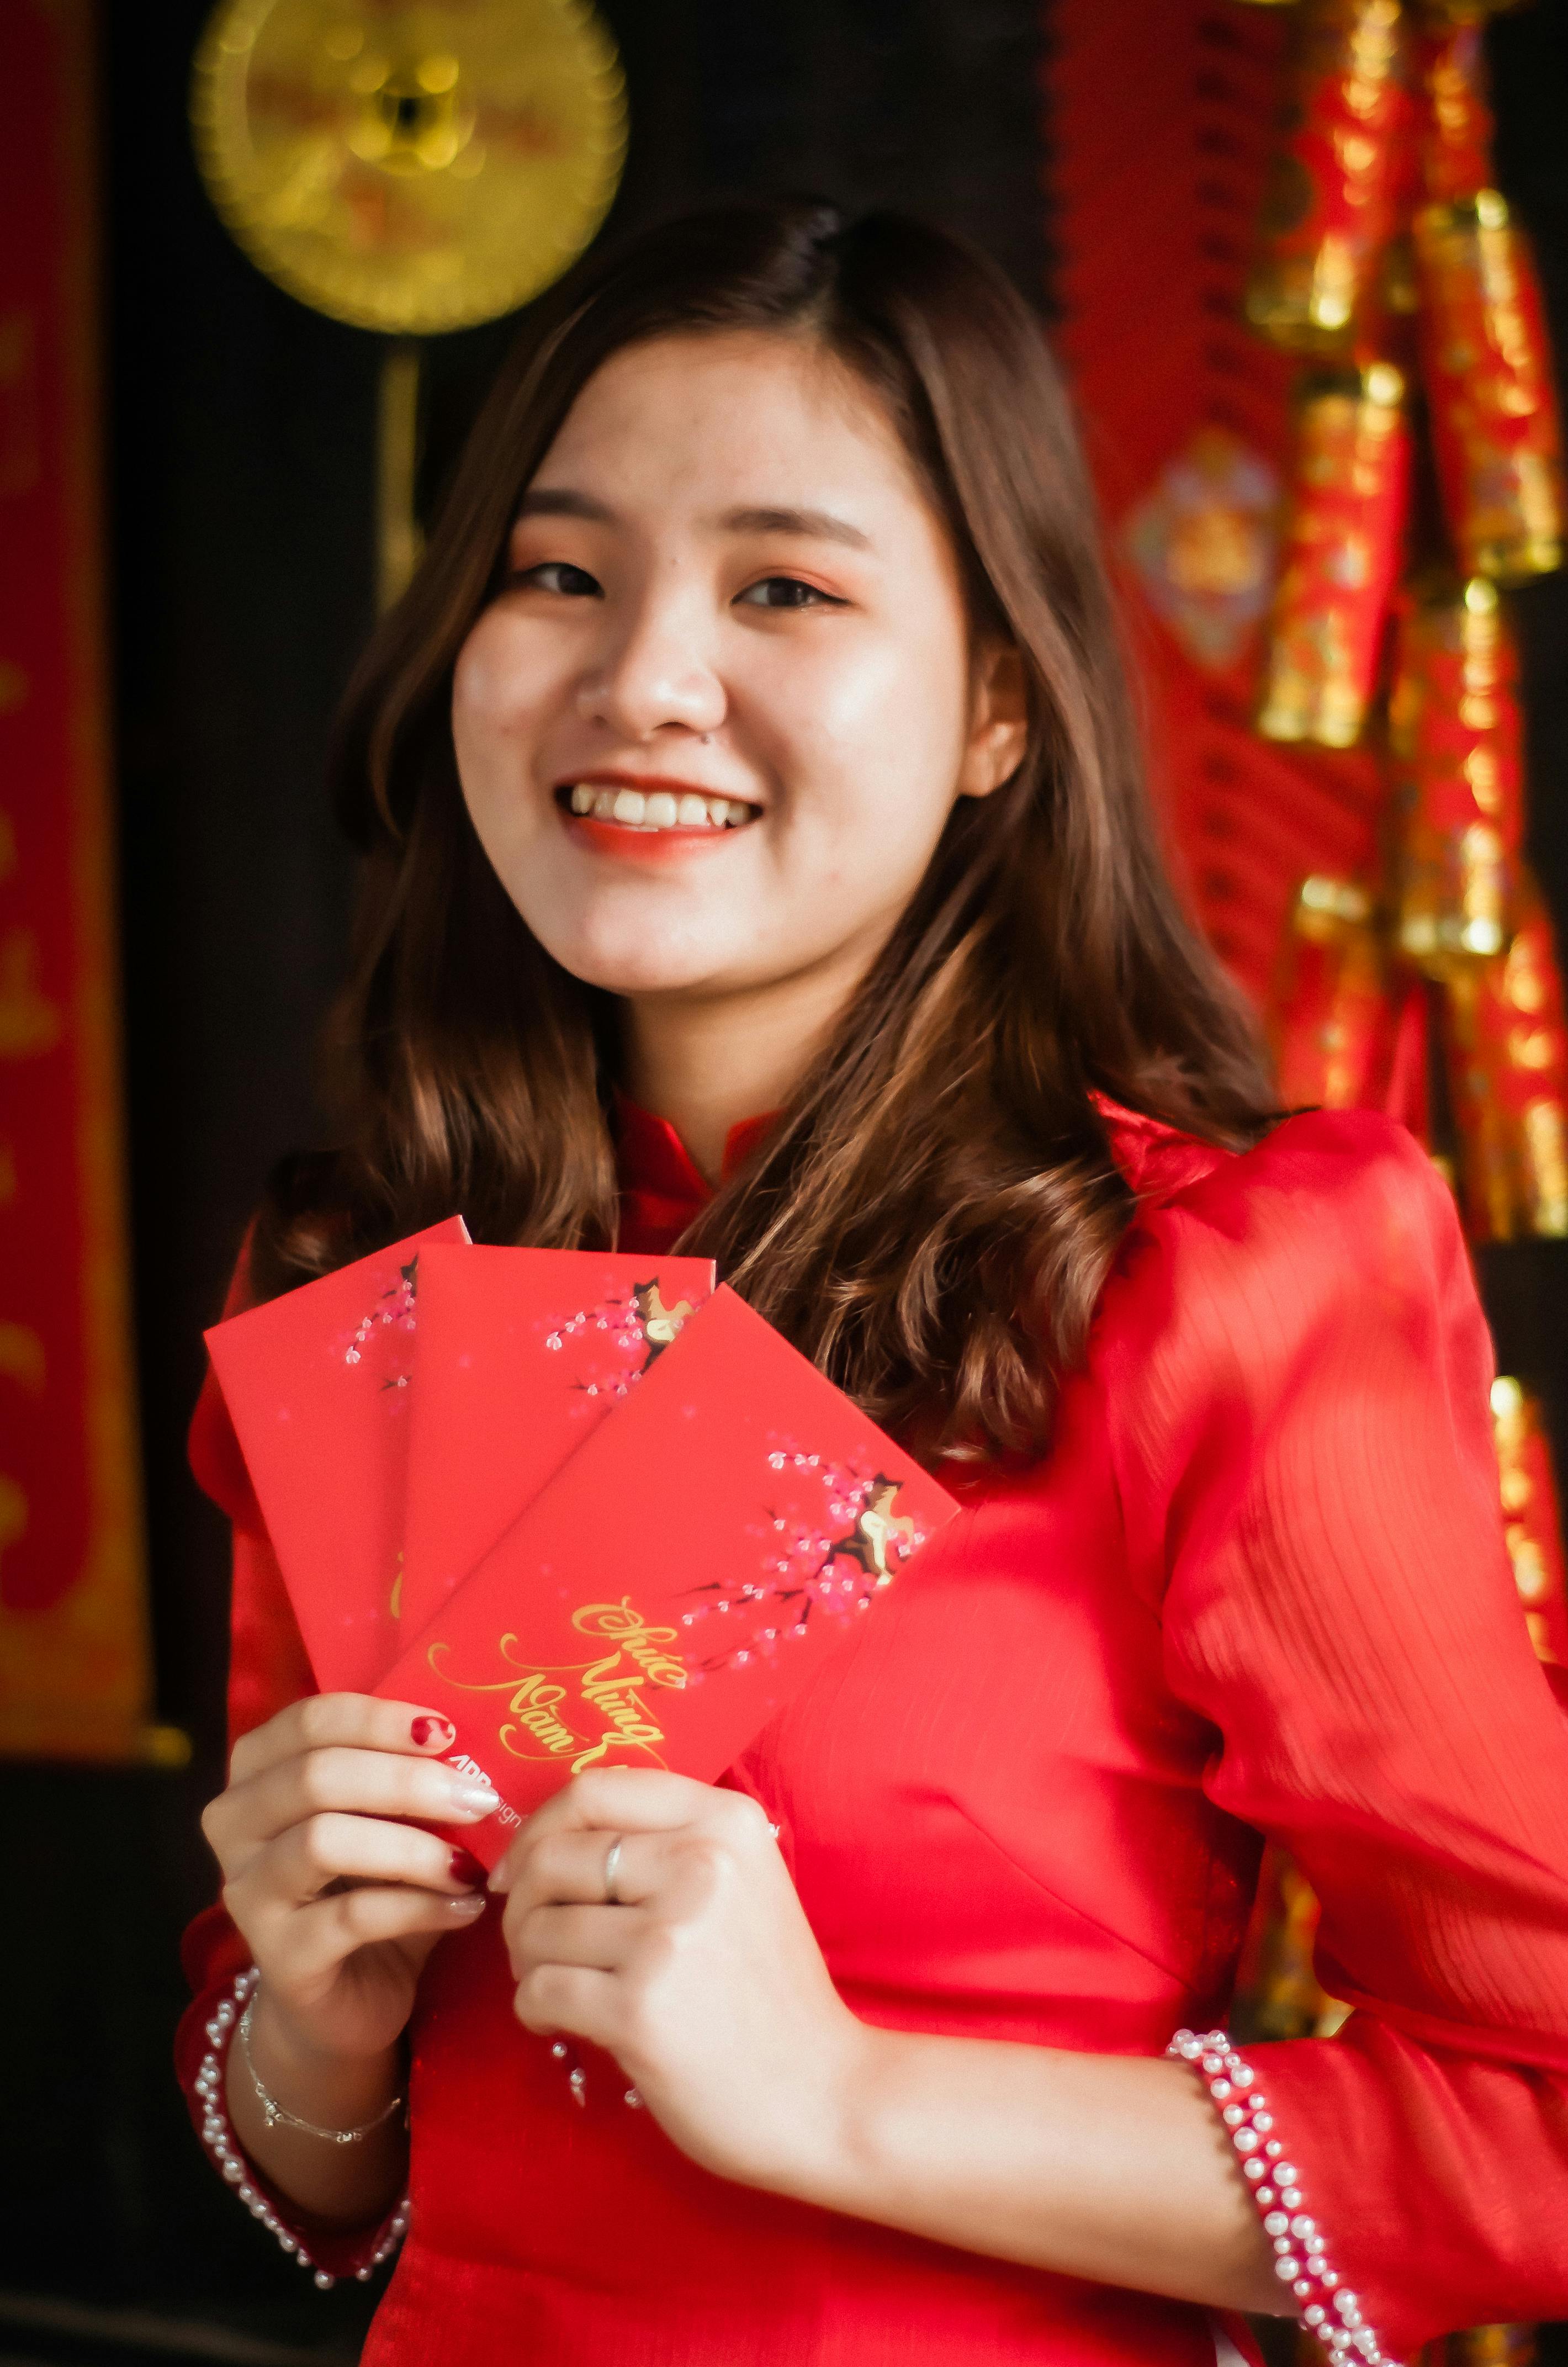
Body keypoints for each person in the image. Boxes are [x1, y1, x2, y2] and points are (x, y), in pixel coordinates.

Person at [178, 200, 1568, 2367]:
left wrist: (836, 2094)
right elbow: (326, 2172)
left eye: (781, 588)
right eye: (559, 572)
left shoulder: (1226, 1280)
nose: (638, 678)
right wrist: (319, 2024)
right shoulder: (364, 1277)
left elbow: (1532, 2133)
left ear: (996, 710)